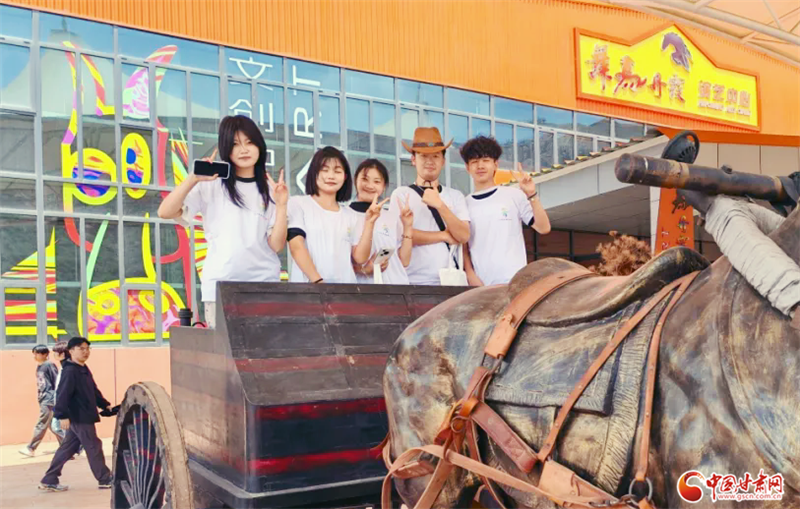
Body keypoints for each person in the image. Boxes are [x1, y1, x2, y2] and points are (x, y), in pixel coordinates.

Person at [158, 115, 288, 328]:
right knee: (223, 349)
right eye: (235, 144)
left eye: (249, 142)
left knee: (262, 348)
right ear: (226, 149)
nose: (243, 150)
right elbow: (165, 211)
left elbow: (276, 245)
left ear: (259, 146)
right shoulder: (211, 184)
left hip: (263, 285)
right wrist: (193, 178)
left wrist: (282, 205)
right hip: (220, 286)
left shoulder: (271, 190)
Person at [459, 136, 551, 286]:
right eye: (474, 162)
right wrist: (470, 274)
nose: (480, 166)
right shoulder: (463, 204)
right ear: (467, 167)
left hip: (515, 282)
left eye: (485, 160)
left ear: (496, 164)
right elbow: (463, 246)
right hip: (482, 286)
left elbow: (544, 227)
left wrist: (532, 194)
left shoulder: (514, 195)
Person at [388, 127, 471, 285]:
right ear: (413, 159)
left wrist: (440, 205)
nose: (430, 161)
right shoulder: (401, 194)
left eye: (435, 156)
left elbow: (463, 235)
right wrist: (444, 236)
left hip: (450, 282)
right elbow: (401, 234)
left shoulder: (456, 196)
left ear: (443, 161)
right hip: (412, 282)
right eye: (423, 156)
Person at [287, 146, 373, 283]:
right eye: (324, 170)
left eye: (337, 171)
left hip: (345, 291)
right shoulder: (298, 204)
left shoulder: (350, 215)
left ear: (345, 177)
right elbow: (296, 246)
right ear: (314, 173)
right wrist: (318, 282)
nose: (331, 176)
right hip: (309, 289)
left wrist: (370, 223)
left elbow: (360, 258)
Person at [40, 337, 114, 492]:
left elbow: (93, 390)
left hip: (84, 414)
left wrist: (104, 404)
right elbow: (62, 394)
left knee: (67, 448)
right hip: (79, 416)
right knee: (93, 446)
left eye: (87, 348)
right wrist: (62, 415)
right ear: (71, 351)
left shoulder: (83, 368)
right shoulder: (70, 370)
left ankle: (49, 479)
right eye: (81, 348)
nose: (85, 352)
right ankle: (105, 479)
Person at [349, 159, 414, 284]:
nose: (370, 186)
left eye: (377, 181)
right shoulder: (346, 215)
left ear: (384, 187)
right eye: (365, 179)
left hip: (397, 286)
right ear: (355, 180)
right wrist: (364, 270)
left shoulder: (391, 217)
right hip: (363, 289)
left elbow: (404, 261)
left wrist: (408, 226)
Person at [19, 345, 63, 458]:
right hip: (43, 399)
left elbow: (57, 382)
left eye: (36, 353)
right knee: (53, 426)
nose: (34, 356)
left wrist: (56, 398)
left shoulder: (49, 365)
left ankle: (31, 448)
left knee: (42, 423)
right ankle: (69, 448)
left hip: (49, 399)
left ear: (44, 354)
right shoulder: (40, 366)